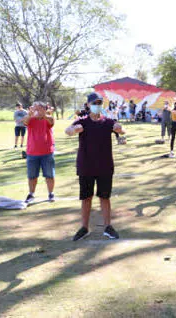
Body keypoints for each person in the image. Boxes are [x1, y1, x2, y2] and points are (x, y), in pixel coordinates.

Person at [65, 92, 125, 241]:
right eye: (94, 103)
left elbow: (121, 129)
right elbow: (68, 131)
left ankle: (108, 227)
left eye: (99, 103)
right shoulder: (82, 122)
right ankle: (84, 227)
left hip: (105, 166)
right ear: (88, 105)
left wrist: (120, 128)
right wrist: (73, 130)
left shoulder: (108, 121)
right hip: (86, 166)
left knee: (105, 197)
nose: (97, 106)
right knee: (86, 198)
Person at [22, 102, 56, 203]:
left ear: (45, 109)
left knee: (49, 175)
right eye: (36, 109)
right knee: (32, 176)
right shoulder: (30, 119)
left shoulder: (48, 118)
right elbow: (25, 121)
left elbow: (51, 121)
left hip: (47, 152)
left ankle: (51, 194)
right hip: (32, 153)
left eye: (40, 109)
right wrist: (29, 114)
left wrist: (44, 114)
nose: (37, 111)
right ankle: (31, 194)